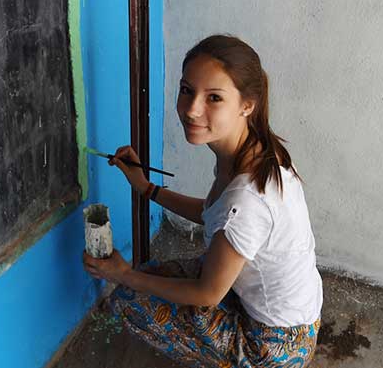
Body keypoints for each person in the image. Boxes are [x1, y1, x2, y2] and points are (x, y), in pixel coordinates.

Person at [82, 34, 323, 368]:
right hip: (296, 314)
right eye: (186, 90)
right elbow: (215, 214)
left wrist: (123, 275)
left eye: (214, 98)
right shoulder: (256, 152)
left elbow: (208, 294)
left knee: (131, 296)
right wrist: (146, 187)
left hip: (272, 346)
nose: (192, 110)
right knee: (153, 274)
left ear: (246, 105)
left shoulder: (247, 198)